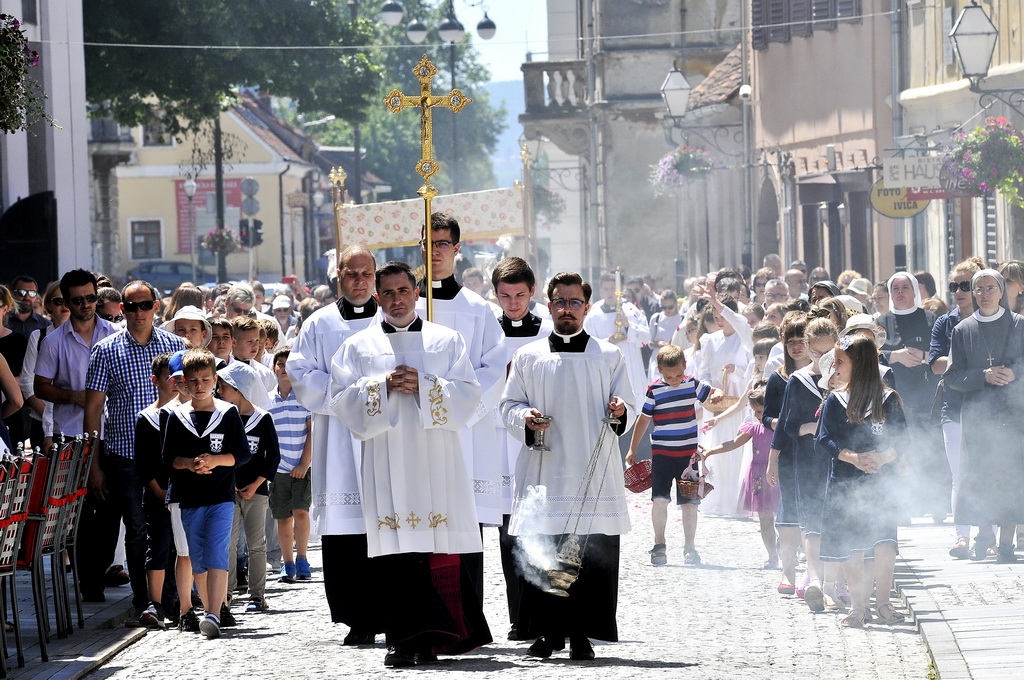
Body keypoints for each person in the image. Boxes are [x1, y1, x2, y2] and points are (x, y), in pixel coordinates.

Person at [332, 261, 490, 668]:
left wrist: (425, 385)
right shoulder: (358, 347)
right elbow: (341, 399)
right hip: (385, 459)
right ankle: (403, 639)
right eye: (388, 293)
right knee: (394, 549)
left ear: (416, 292)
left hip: (436, 459)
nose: (396, 299)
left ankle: (442, 636)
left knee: (435, 544)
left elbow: (470, 397)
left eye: (403, 291)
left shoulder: (446, 339)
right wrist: (381, 386)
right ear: (377, 297)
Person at [501, 271, 636, 662]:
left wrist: (619, 409)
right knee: (545, 550)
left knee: (589, 554)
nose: (566, 309)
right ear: (548, 305)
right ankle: (547, 633)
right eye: (559, 301)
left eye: (574, 302)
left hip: (592, 474)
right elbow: (508, 406)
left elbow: (627, 403)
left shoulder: (608, 356)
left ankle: (581, 634)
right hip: (546, 469)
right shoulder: (528, 357)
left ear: (587, 308)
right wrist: (525, 416)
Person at [285, 245, 382, 643]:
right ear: (338, 276)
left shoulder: (392, 321)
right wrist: (348, 395)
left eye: (366, 274)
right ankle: (356, 618)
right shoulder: (318, 324)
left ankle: (390, 613)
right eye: (351, 273)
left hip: (382, 438)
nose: (359, 281)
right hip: (338, 440)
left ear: (374, 277)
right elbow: (299, 370)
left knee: (384, 529)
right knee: (345, 535)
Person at [416, 213, 506, 595]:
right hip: (413, 431)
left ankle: (467, 618)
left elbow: (495, 368)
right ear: (419, 247)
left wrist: (455, 408)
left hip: (464, 433)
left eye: (442, 244)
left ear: (456, 248)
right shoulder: (404, 306)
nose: (435, 251)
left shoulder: (478, 309)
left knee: (465, 521)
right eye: (428, 243)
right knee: (415, 519)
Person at [83, 280, 185, 614]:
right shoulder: (106, 349)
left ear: (157, 306)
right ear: (121, 309)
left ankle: (171, 598)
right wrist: (94, 465)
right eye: (130, 306)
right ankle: (144, 601)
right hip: (125, 456)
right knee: (137, 530)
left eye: (144, 305)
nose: (137, 312)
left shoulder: (175, 346)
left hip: (169, 456)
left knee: (171, 529)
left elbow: (190, 398)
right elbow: (93, 409)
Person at [816, 335, 907, 628]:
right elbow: (823, 439)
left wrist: (882, 458)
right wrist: (853, 457)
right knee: (852, 546)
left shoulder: (888, 398)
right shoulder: (835, 399)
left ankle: (883, 604)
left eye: (841, 360)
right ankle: (858, 608)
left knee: (884, 544)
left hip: (882, 482)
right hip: (845, 481)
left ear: (861, 364)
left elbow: (904, 439)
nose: (835, 366)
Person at [162, 348, 250, 639]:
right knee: (197, 557)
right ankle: (209, 608)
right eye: (193, 380)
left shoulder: (228, 413)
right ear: (184, 383)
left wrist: (216, 460)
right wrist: (189, 464)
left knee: (217, 552)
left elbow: (241, 454)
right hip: (189, 498)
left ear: (214, 380)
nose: (199, 386)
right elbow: (168, 459)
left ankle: (213, 612)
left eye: (205, 379)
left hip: (221, 496)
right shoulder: (176, 417)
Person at [490, 256, 552, 640]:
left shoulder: (548, 331)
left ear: (532, 291)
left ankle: (545, 614)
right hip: (498, 440)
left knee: (542, 526)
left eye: (519, 295)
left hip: (538, 439)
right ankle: (518, 615)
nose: (512, 303)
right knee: (507, 532)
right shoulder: (488, 333)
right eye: (504, 295)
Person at [945, 269, 1024, 563]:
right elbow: (952, 376)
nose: (985, 294)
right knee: (978, 477)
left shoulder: (1019, 325)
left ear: (1002, 291)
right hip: (978, 417)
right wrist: (983, 376)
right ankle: (984, 536)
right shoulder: (963, 330)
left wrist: (1015, 372)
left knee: (1010, 478)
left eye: (991, 287)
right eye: (979, 289)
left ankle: (1006, 544)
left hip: (1013, 416)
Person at [626, 344, 719, 566]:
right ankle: (659, 543)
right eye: (669, 376)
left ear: (685, 367)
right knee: (659, 499)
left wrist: (720, 393)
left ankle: (690, 547)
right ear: (660, 371)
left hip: (688, 456)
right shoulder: (654, 390)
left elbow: (713, 393)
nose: (675, 379)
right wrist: (632, 448)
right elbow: (644, 419)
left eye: (678, 374)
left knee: (689, 503)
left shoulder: (692, 384)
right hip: (662, 454)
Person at [776, 317, 842, 611]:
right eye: (816, 353)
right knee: (811, 520)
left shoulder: (845, 376)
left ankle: (833, 582)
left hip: (838, 458)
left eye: (828, 354)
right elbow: (787, 426)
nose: (822, 359)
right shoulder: (798, 380)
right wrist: (810, 428)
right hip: (808, 458)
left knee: (836, 517)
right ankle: (814, 577)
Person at [929, 256, 985, 560]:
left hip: (989, 406)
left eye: (966, 285)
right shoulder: (946, 322)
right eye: (954, 286)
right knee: (959, 474)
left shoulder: (994, 319)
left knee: (988, 470)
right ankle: (962, 536)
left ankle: (986, 534)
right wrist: (961, 362)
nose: (959, 291)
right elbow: (935, 365)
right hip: (954, 405)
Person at [876, 272, 943, 521]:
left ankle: (935, 502)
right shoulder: (881, 322)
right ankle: (901, 507)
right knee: (898, 448)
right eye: (896, 288)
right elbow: (870, 354)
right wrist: (895, 356)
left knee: (929, 449)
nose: (901, 292)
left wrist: (924, 357)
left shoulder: (931, 319)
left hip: (926, 393)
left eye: (906, 287)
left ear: (915, 291)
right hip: (893, 396)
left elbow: (943, 351)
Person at [218, 361, 279, 615]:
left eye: (223, 387)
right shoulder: (221, 416)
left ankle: (257, 595)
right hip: (227, 492)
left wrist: (255, 485)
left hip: (256, 492)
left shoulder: (263, 419)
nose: (219, 391)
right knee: (228, 545)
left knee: (256, 545)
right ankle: (226, 595)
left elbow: (272, 457)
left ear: (238, 389)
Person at [702, 384, 780, 568]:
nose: (757, 416)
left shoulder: (780, 427)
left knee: (783, 517)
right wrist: (710, 451)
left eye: (760, 411)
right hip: (759, 475)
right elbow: (733, 443)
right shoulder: (754, 427)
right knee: (765, 518)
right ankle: (772, 555)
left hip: (778, 474)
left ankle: (787, 548)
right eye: (754, 411)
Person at [133, 352, 182, 630]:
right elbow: (144, 463)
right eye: (169, 379)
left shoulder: (187, 415)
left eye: (179, 379)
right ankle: (155, 602)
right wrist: (159, 492)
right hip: (157, 494)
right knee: (159, 546)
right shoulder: (147, 418)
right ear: (156, 381)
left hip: (184, 495)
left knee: (183, 548)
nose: (175, 384)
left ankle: (180, 598)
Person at [698, 289, 754, 517]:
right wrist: (714, 388)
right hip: (717, 404)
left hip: (739, 403)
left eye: (723, 316)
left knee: (736, 451)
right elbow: (703, 373)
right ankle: (718, 497)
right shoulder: (710, 341)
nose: (719, 321)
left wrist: (736, 371)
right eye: (716, 317)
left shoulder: (744, 338)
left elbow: (749, 368)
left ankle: (736, 500)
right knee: (717, 451)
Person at [269, 346, 312, 585]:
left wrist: (305, 462)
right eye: (280, 364)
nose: (284, 369)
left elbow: (311, 432)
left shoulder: (304, 397)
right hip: (279, 468)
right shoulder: (268, 400)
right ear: (274, 368)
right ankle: (288, 563)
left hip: (302, 466)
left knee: (301, 512)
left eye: (289, 365)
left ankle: (303, 558)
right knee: (283, 516)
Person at [583, 271, 651, 408]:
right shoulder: (593, 316)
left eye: (613, 288)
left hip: (632, 371)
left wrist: (628, 327)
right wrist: (609, 341)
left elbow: (646, 339)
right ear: (600, 291)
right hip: (607, 373)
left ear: (619, 290)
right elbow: (586, 346)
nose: (610, 292)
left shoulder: (631, 310)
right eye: (606, 289)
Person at [20, 282, 70, 450]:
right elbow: (27, 382)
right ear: (48, 304)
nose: (65, 305)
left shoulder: (87, 339)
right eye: (58, 301)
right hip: (40, 423)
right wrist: (49, 418)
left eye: (69, 300)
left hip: (75, 422)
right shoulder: (38, 337)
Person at [230, 316, 276, 392]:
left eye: (257, 341)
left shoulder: (265, 374)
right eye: (249, 341)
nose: (255, 346)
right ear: (234, 342)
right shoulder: (222, 369)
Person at [646, 290, 683, 380]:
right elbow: (649, 342)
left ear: (676, 304)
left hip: (676, 359)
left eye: (670, 307)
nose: (667, 310)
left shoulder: (682, 318)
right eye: (664, 307)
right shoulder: (656, 318)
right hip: (658, 359)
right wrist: (658, 344)